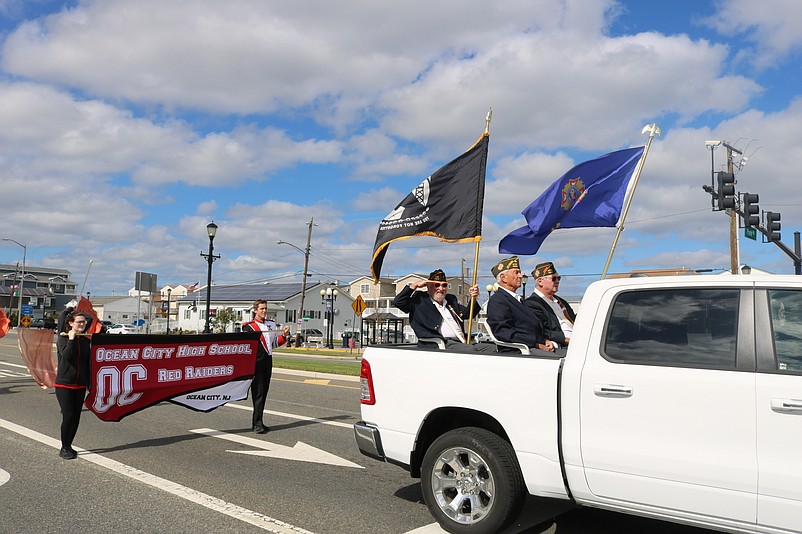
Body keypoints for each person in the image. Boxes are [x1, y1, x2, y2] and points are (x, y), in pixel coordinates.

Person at [393, 269, 480, 349]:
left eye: (444, 285)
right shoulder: (420, 300)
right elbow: (398, 302)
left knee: (491, 349)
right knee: (471, 350)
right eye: (437, 285)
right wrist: (414, 286)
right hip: (439, 344)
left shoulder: (450, 301)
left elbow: (468, 314)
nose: (441, 289)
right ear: (428, 286)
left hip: (461, 341)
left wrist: (474, 298)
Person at [486, 256, 555, 352]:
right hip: (519, 351)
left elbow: (532, 326)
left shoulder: (517, 300)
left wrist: (544, 340)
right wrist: (537, 344)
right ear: (503, 278)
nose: (521, 276)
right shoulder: (498, 300)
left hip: (535, 347)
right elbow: (504, 333)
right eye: (516, 272)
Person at [241, 300, 291, 434]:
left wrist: (284, 335)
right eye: (261, 308)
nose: (264, 311)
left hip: (267, 361)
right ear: (255, 310)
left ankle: (259, 421)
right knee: (258, 392)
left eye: (265, 308)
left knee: (264, 393)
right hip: (256, 363)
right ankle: (257, 423)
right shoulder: (249, 327)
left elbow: (274, 343)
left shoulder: (271, 324)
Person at [54, 309, 92, 459]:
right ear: (70, 323)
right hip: (65, 384)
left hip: (80, 384)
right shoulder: (63, 338)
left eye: (83, 322)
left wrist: (78, 309)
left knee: (76, 417)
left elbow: (89, 362)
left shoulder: (85, 340)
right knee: (68, 415)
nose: (83, 324)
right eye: (79, 322)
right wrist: (71, 339)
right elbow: (67, 356)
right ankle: (64, 447)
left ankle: (69, 445)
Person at [525, 261, 576, 348]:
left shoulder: (562, 302)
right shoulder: (532, 303)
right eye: (553, 279)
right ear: (540, 281)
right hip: (563, 346)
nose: (557, 281)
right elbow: (542, 331)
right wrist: (569, 340)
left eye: (558, 278)